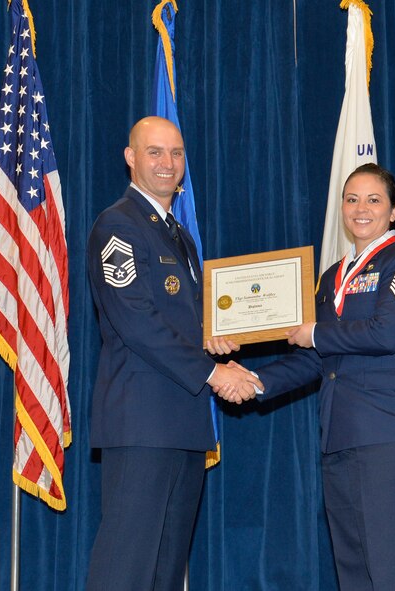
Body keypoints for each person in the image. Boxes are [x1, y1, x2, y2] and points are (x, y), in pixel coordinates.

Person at [220, 163, 395, 590]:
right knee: (354, 574)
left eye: (374, 200)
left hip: (391, 437)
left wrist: (316, 331)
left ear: (394, 211)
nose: (361, 209)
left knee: (394, 574)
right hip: (339, 438)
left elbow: (389, 332)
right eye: (352, 199)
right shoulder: (327, 278)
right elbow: (316, 361)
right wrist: (255, 381)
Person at [85, 116, 261, 591]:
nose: (167, 163)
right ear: (131, 157)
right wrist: (212, 372)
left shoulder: (178, 236)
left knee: (165, 573)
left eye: (176, 153)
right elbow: (136, 320)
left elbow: (179, 320)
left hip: (182, 423)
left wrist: (213, 338)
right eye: (155, 152)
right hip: (142, 424)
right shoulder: (118, 225)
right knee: (125, 569)